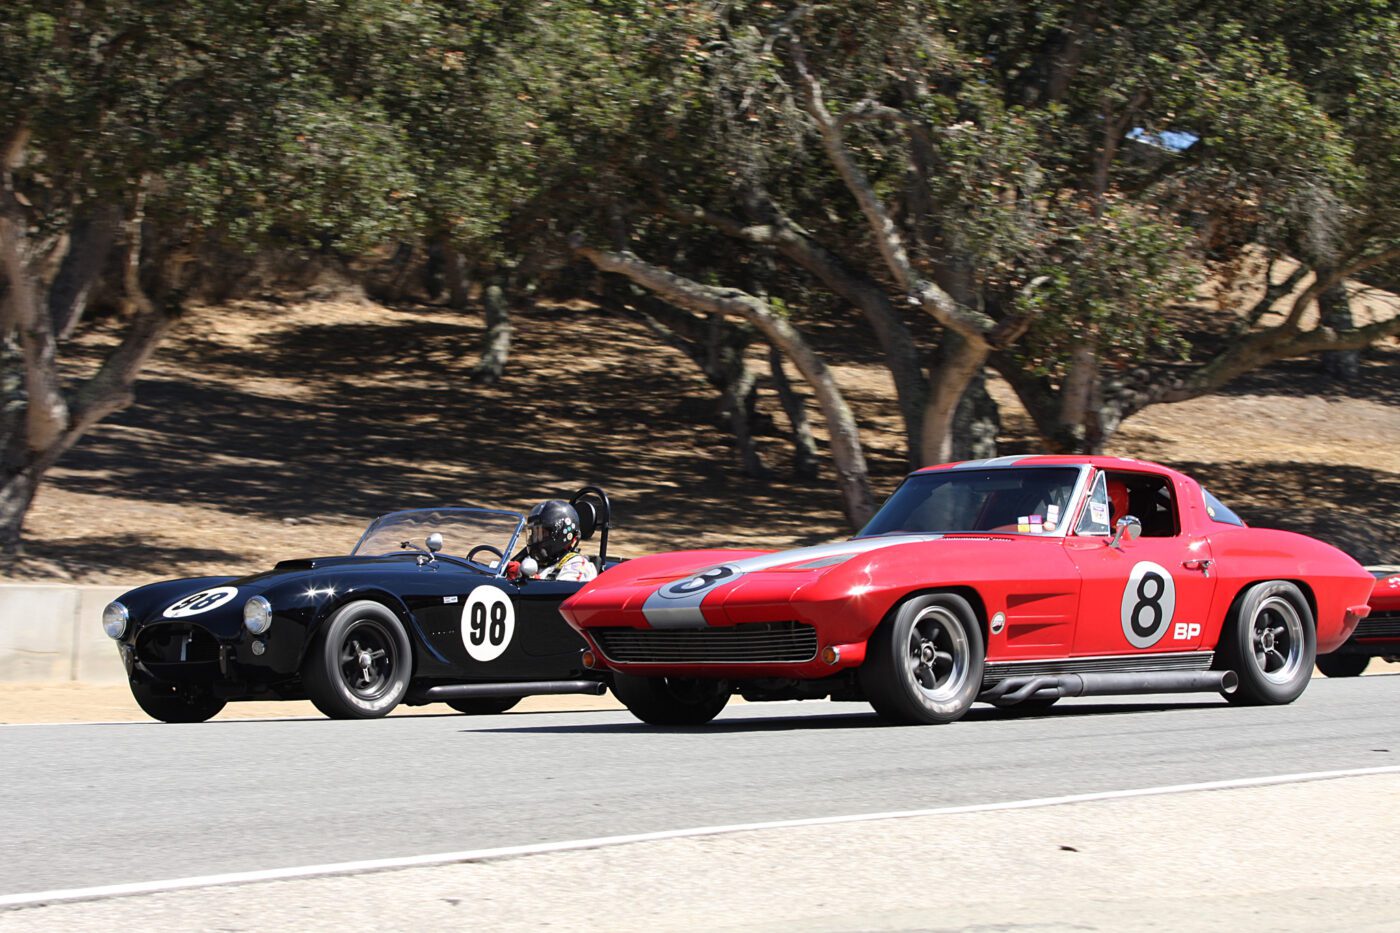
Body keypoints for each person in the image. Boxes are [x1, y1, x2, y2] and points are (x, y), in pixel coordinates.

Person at [511, 499, 597, 582]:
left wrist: (526, 576)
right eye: (534, 533)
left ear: (561, 535)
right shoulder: (531, 560)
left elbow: (562, 593)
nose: (535, 538)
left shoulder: (578, 566)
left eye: (542, 533)